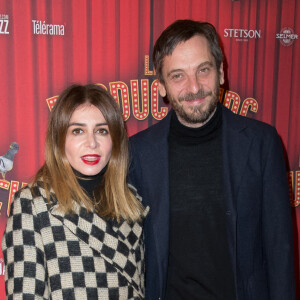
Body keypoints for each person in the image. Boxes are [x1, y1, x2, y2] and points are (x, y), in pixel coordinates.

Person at [129, 20, 295, 300]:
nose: (194, 87)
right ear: (161, 87)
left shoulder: (261, 144)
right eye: (178, 76)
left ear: (220, 72)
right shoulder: (138, 153)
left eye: (203, 70)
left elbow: (280, 250)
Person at [2, 84, 148, 300]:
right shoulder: (33, 204)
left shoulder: (131, 201)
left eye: (102, 130)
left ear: (115, 141)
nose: (92, 143)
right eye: (78, 131)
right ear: (60, 140)